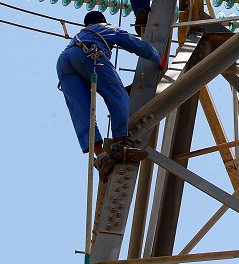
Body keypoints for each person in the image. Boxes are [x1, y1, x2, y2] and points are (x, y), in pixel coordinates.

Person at [57, 10, 165, 171]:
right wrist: (158, 58)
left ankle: (101, 157)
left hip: (64, 63)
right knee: (119, 97)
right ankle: (120, 145)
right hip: (89, 53)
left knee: (83, 111)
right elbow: (134, 44)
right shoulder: (106, 28)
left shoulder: (80, 34)